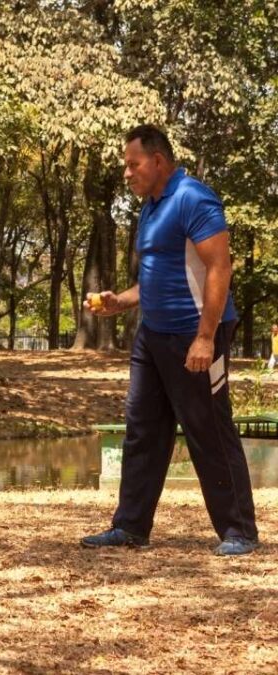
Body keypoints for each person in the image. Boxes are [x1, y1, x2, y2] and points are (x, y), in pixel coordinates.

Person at [81, 124, 258, 556]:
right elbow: (157, 278)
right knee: (143, 429)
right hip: (153, 334)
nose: (127, 173)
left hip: (195, 333)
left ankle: (239, 531)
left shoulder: (193, 198)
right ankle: (130, 526)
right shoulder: (151, 207)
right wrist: (120, 302)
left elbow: (219, 268)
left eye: (133, 164)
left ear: (158, 160)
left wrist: (205, 338)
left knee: (208, 429)